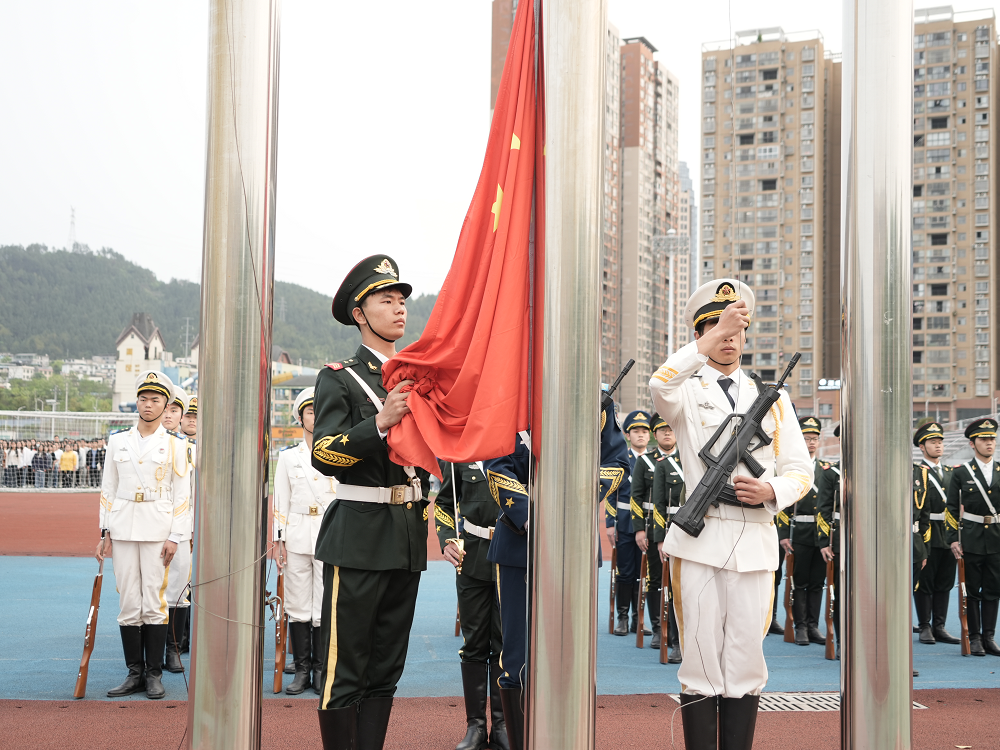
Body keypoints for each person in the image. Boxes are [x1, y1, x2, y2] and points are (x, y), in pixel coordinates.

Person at [649, 279, 812, 749]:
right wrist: (708, 339)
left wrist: (770, 489)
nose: (728, 337)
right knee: (700, 661)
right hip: (701, 543)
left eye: (736, 328)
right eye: (717, 328)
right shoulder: (685, 391)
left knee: (745, 662)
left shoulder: (773, 399)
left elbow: (801, 471)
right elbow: (660, 383)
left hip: (755, 543)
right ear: (700, 334)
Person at [311, 256, 431, 749]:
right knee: (345, 667)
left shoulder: (419, 377)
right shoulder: (340, 378)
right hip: (358, 536)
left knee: (386, 668)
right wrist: (379, 423)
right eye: (387, 300)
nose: (399, 308)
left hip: (406, 536)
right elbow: (323, 453)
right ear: (359, 314)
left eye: (402, 300)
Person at [486, 396, 629, 750]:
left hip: (576, 542)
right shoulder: (509, 395)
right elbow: (496, 465)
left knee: (573, 657)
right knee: (517, 657)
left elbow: (616, 463)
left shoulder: (595, 402)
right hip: (521, 543)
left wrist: (574, 499)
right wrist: (533, 516)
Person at [95, 370, 191, 699]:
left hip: (157, 529)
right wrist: (105, 531)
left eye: (155, 400)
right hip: (123, 527)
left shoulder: (176, 445)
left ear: (166, 406)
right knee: (128, 601)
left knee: (153, 599)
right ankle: (133, 672)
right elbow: (108, 488)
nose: (148, 404)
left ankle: (153, 674)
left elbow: (182, 495)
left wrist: (176, 535)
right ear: (136, 402)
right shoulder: (118, 441)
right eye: (143, 399)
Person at [435, 456, 509, 750]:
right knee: (474, 642)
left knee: (505, 642)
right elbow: (443, 503)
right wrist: (447, 539)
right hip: (472, 556)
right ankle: (475, 726)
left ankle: (503, 725)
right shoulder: (460, 456)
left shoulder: (517, 451)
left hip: (511, 555)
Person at [274, 387, 334, 695]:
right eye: (311, 411)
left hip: (328, 534)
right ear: (301, 418)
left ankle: (321, 670)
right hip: (296, 535)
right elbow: (280, 501)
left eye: (321, 411)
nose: (316, 417)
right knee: (297, 605)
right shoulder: (288, 457)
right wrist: (279, 540)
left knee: (323, 605)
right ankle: (301, 670)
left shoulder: (338, 453)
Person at [945, 417, 1000, 657]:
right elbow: (950, 508)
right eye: (984, 439)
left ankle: (989, 637)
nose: (989, 443)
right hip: (971, 538)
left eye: (992, 439)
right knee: (973, 590)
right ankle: (975, 637)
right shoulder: (961, 472)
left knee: (993, 590)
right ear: (972, 443)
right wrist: (953, 539)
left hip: (996, 538)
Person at [779, 416, 830, 647]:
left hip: (821, 535)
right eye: (807, 438)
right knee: (799, 581)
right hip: (799, 532)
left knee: (817, 582)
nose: (811, 442)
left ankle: (813, 625)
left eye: (814, 438)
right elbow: (782, 504)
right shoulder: (792, 468)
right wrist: (783, 535)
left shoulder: (827, 470)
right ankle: (799, 626)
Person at [912, 422, 960, 645]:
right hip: (927, 532)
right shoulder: (916, 472)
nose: (938, 445)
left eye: (940, 442)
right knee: (925, 581)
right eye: (933, 442)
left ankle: (939, 626)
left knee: (945, 581)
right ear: (922, 447)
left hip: (947, 532)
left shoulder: (952, 473)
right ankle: (925, 625)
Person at [608, 410, 652, 637]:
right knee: (625, 572)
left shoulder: (655, 461)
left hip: (648, 524)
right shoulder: (621, 459)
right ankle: (623, 618)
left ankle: (638, 619)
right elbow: (610, 492)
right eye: (636, 431)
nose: (641, 435)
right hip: (624, 524)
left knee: (643, 573)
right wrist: (610, 523)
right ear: (627, 435)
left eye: (645, 431)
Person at [630, 413, 670, 650]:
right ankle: (657, 628)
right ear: (655, 435)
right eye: (662, 430)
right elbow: (635, 497)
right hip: (652, 528)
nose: (668, 433)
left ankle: (676, 629)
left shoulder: (685, 460)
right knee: (655, 579)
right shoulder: (645, 461)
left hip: (679, 527)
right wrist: (639, 530)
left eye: (671, 429)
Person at [160, 386, 193, 674]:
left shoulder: (188, 448)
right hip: (150, 526)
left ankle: (173, 650)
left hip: (182, 528)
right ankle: (151, 652)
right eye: (166, 409)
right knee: (148, 592)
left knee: (179, 591)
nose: (169, 415)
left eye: (174, 410)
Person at [650, 415, 685, 663]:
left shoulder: (698, 459)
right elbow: (658, 505)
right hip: (673, 530)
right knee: (675, 588)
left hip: (701, 532)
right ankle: (676, 642)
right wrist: (661, 538)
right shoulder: (663, 465)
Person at [816, 425, 842, 657]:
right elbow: (823, 510)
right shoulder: (832, 473)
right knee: (842, 593)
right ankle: (842, 640)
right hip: (841, 540)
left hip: (871, 543)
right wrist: (825, 541)